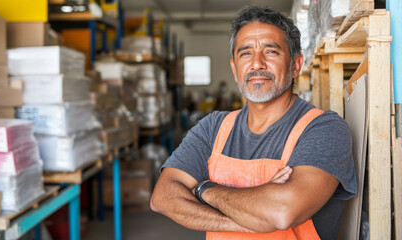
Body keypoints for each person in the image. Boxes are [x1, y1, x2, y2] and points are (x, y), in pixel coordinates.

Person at [150, 6, 356, 240]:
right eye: (245, 53)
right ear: (235, 70)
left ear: (296, 65)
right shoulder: (213, 129)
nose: (257, 64)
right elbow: (163, 197)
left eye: (271, 52)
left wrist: (205, 189)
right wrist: (252, 218)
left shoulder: (324, 129)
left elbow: (281, 212)